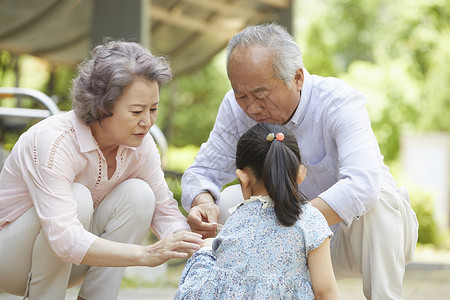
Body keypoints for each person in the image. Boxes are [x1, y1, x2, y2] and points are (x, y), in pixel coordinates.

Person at [181, 23, 419, 299]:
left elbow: (363, 183)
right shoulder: (235, 108)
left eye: (260, 94)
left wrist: (290, 222)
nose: (251, 107)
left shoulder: (338, 102)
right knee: (226, 200)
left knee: (378, 199)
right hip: (289, 244)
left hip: (362, 242)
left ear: (296, 78)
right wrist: (202, 202)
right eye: (240, 94)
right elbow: (201, 172)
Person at [0, 40, 203, 300]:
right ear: (102, 107)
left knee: (141, 195)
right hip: (11, 261)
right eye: (137, 111)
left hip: (72, 262)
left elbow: (164, 210)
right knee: (79, 198)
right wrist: (147, 254)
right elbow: (64, 239)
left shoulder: (141, 146)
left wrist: (195, 244)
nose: (148, 121)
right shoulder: (55, 141)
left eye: (153, 109)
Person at [175, 122, 340, 299]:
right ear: (300, 174)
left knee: (206, 249)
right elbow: (325, 291)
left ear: (243, 178)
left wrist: (205, 250)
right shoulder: (310, 219)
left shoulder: (237, 217)